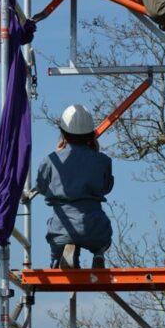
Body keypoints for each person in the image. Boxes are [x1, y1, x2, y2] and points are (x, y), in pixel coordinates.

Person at [36, 104, 114, 269]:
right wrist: (96, 154)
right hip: (95, 227)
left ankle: (62, 256)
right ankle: (98, 254)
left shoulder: (51, 161)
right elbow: (106, 187)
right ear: (91, 135)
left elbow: (42, 187)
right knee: (104, 240)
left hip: (62, 227)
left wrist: (57, 156)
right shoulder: (103, 161)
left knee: (57, 253)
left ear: (63, 134)